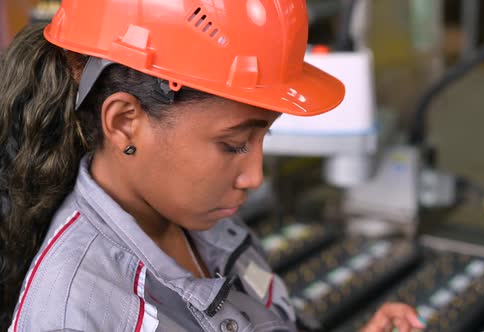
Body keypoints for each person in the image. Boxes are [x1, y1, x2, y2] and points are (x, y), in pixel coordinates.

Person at [0, 1, 426, 331]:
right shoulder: (78, 312)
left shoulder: (199, 217)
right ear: (125, 123)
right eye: (233, 144)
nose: (254, 177)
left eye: (264, 137)